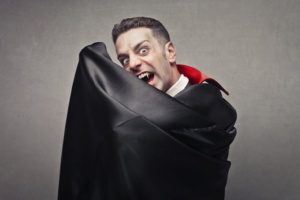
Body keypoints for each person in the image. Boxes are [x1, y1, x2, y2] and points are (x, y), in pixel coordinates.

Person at [58, 17, 237, 200]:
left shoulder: (211, 111)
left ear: (170, 52)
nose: (133, 64)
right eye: (124, 60)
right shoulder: (124, 119)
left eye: (143, 50)